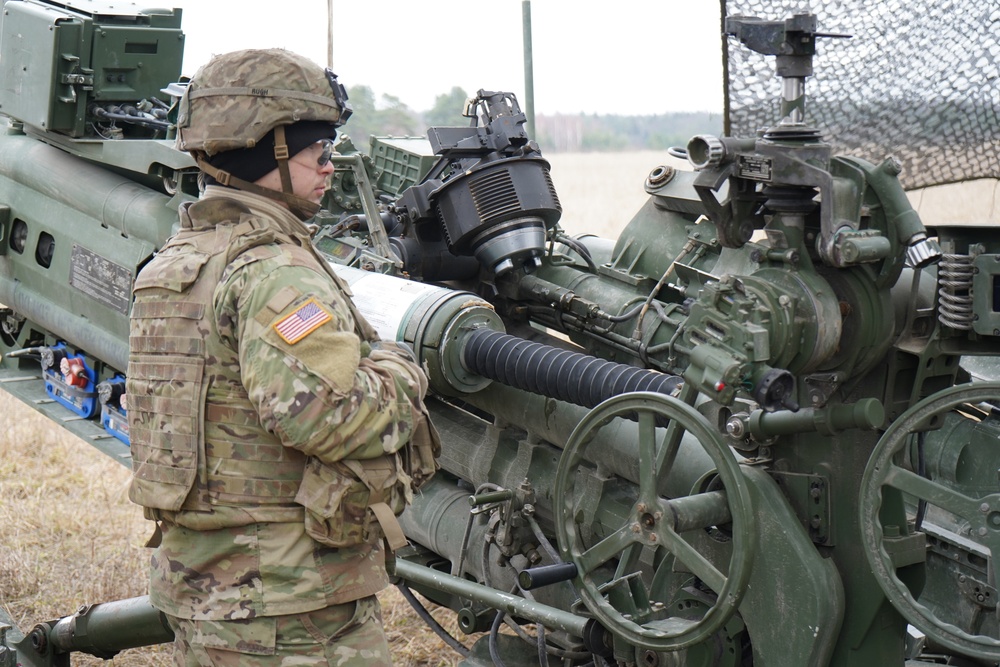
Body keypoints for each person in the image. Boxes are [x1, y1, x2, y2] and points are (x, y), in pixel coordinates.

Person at [125, 48, 438, 667]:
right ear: (266, 151)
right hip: (291, 609)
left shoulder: (175, 264)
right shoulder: (274, 271)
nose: (330, 167)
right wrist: (402, 370)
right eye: (318, 151)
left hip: (205, 589)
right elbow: (326, 416)